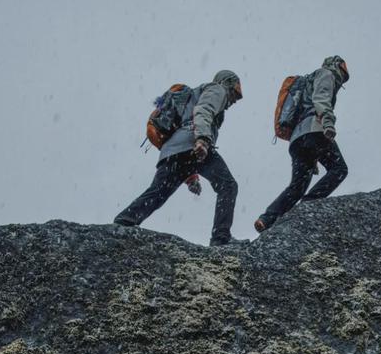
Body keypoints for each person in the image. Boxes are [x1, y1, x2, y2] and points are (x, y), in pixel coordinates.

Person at [114, 70, 243, 246]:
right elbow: (203, 110)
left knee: (157, 193)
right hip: (194, 143)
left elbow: (185, 132)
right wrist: (203, 140)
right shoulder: (217, 89)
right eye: (235, 93)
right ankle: (221, 238)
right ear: (227, 83)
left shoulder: (194, 94)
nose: (235, 100)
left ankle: (124, 222)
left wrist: (191, 178)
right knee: (228, 186)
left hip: (173, 151)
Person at [254, 56, 349, 233]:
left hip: (297, 139)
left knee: (297, 187)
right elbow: (321, 99)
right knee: (339, 169)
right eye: (343, 73)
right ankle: (308, 206)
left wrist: (311, 158)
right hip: (315, 129)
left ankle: (267, 219)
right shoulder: (326, 74)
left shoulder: (306, 82)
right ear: (337, 67)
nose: (342, 79)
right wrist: (328, 123)